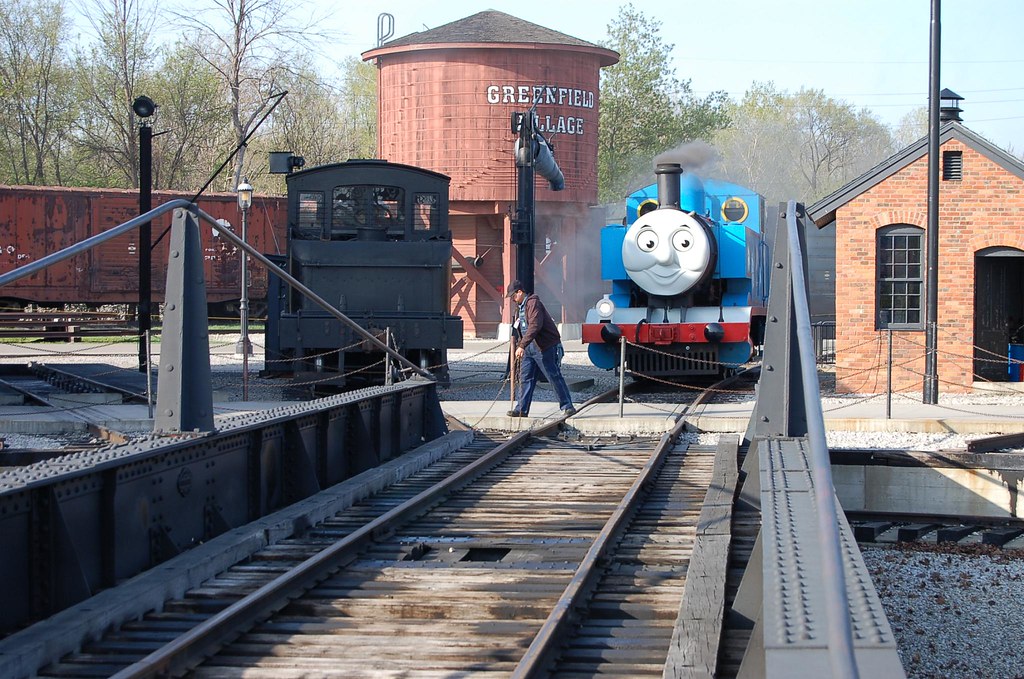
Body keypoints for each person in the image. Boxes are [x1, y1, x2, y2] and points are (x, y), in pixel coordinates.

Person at [506, 279, 576, 418]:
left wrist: (521, 345)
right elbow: (521, 328)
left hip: (544, 347)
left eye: (513, 295)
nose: (512, 299)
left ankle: (567, 406)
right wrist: (523, 345)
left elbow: (535, 326)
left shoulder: (533, 303)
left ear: (520, 292)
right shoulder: (519, 308)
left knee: (553, 376)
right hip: (528, 348)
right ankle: (521, 409)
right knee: (526, 378)